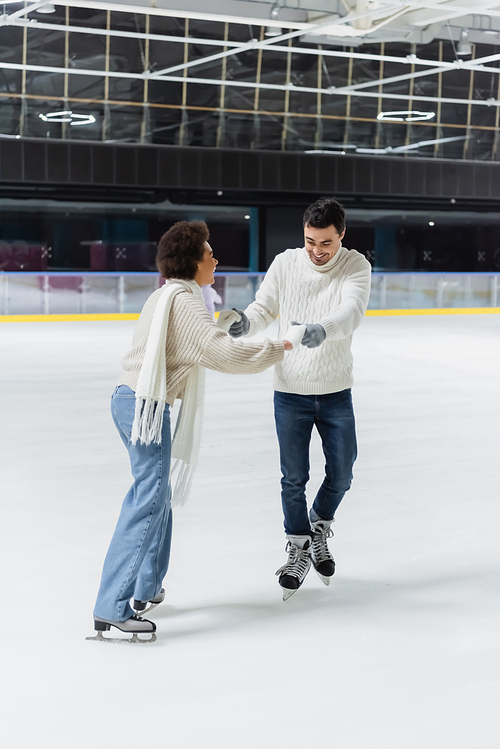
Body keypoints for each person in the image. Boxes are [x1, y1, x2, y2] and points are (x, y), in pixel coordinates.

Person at [90, 220, 292, 641]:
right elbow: (220, 354)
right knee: (148, 500)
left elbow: (194, 342)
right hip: (145, 406)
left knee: (156, 496)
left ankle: (147, 586)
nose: (215, 259)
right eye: (209, 252)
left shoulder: (168, 296)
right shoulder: (185, 302)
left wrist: (226, 323)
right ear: (193, 260)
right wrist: (277, 348)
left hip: (131, 400)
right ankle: (112, 606)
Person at [227, 198, 371, 600]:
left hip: (335, 388)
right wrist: (245, 323)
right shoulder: (286, 263)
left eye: (325, 242)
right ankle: (298, 545)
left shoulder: (355, 265)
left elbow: (352, 310)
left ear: (341, 235)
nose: (317, 250)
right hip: (290, 390)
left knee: (343, 472)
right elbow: (263, 308)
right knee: (293, 478)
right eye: (310, 241)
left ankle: (318, 526)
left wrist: (322, 329)